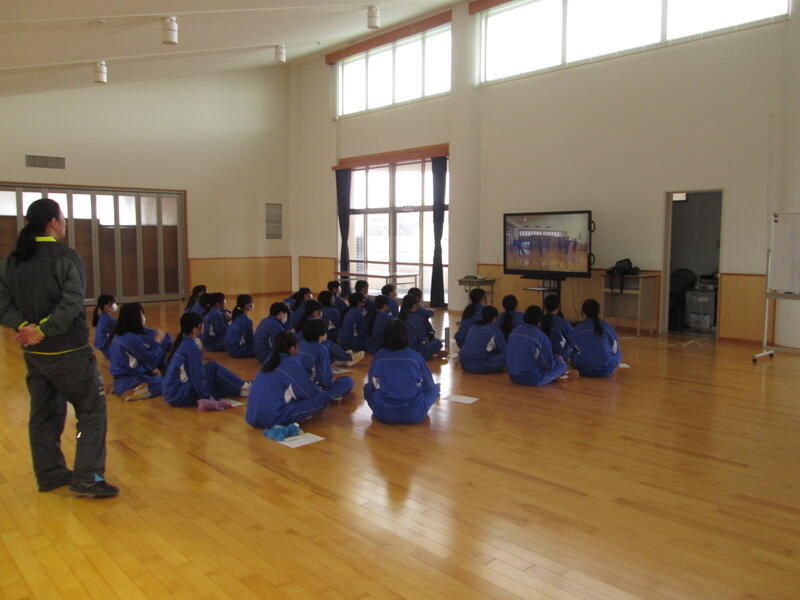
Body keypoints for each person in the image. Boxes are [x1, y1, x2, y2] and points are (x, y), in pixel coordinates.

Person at [0, 198, 118, 497]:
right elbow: (72, 303)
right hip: (69, 352)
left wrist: (24, 327)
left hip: (35, 354)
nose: (65, 223)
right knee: (91, 411)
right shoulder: (65, 256)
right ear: (53, 221)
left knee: (43, 414)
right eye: (63, 217)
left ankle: (50, 474)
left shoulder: (12, 259)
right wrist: (42, 330)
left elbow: (3, 304)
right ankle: (88, 478)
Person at [163, 312, 250, 410]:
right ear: (195, 328)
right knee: (212, 366)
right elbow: (197, 377)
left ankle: (241, 388)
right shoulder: (192, 348)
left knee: (216, 383)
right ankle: (244, 386)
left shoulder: (183, 343)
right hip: (180, 395)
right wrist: (207, 398)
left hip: (173, 394)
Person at [245, 331, 331, 430]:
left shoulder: (269, 361)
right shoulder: (290, 363)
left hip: (251, 416)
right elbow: (306, 392)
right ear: (292, 348)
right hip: (272, 418)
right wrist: (316, 388)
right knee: (323, 397)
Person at [363, 320, 440, 425]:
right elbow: (428, 385)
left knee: (367, 388)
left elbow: (373, 384)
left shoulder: (378, 357)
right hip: (414, 414)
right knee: (434, 389)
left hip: (384, 414)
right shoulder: (414, 356)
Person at [109, 303, 165, 400]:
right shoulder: (131, 339)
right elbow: (150, 359)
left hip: (120, 378)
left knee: (157, 378)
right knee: (167, 383)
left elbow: (137, 360)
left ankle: (119, 388)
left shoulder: (118, 335)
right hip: (132, 379)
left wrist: (150, 371)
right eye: (141, 315)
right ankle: (134, 391)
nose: (143, 318)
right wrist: (157, 342)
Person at [506, 306, 567, 386]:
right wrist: (558, 359)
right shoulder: (541, 337)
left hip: (513, 376)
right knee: (562, 365)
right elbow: (548, 364)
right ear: (540, 322)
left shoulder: (513, 332)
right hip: (532, 379)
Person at [297, 319, 355, 400]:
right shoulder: (321, 349)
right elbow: (324, 377)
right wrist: (329, 385)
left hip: (297, 385)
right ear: (321, 336)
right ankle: (323, 397)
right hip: (312, 387)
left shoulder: (300, 344)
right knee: (348, 381)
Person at [572, 299, 621, 377]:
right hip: (606, 370)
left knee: (573, 355)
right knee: (618, 354)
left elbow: (572, 348)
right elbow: (615, 349)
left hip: (583, 369)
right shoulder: (608, 327)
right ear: (598, 312)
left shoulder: (578, 328)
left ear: (583, 312)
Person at [459, 306, 507, 374]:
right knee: (508, 354)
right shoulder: (494, 329)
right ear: (495, 318)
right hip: (480, 365)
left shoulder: (474, 326)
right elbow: (504, 349)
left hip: (464, 363)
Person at [399, 294, 442, 360]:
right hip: (414, 352)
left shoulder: (398, 317)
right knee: (438, 342)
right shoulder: (417, 319)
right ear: (414, 306)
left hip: (399, 350)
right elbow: (422, 338)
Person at [540, 294, 575, 361]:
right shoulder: (562, 322)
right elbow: (572, 339)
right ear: (559, 306)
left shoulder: (541, 321)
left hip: (544, 356)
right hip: (560, 357)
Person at [224, 294, 255, 358]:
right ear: (246, 305)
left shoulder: (237, 316)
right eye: (251, 302)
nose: (252, 304)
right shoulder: (246, 320)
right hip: (237, 350)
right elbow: (250, 340)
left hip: (230, 348)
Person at [92, 294, 118, 359]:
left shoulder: (104, 316)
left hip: (104, 344)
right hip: (106, 346)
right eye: (112, 303)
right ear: (106, 306)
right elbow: (119, 327)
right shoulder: (106, 319)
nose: (114, 305)